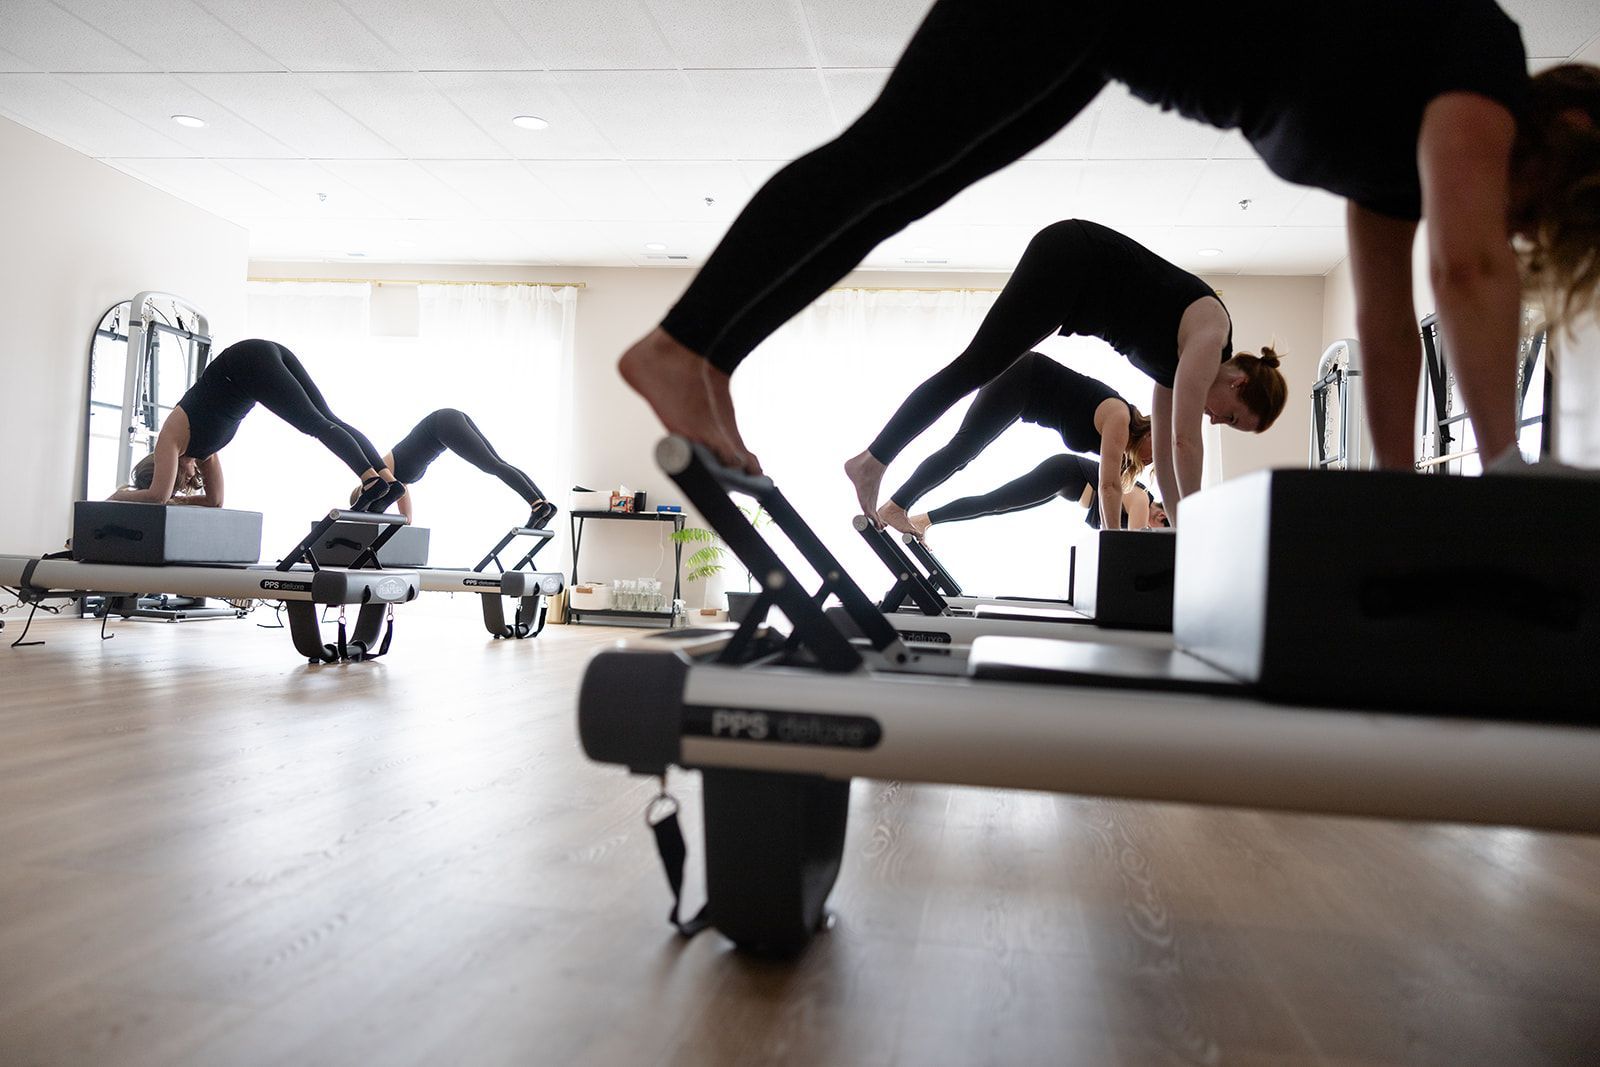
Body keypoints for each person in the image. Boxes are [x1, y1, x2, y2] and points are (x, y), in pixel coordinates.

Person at [617, 1, 1600, 482]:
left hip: (1104, 34)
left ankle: (705, 355)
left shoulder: (1389, 167)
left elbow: (1388, 331)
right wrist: (1506, 467)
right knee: (886, 159)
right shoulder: (1478, 60)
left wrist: (1397, 506)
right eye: (1536, 213)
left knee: (897, 183)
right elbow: (1462, 270)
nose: (1510, 232)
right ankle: (679, 343)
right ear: (1564, 138)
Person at [845, 220, 1285, 523]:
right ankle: (872, 461)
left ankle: (873, 463)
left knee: (974, 371)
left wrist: (1177, 529)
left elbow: (1169, 457)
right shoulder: (1212, 334)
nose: (1216, 420)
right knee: (974, 367)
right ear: (1240, 382)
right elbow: (1186, 441)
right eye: (1231, 416)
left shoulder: (1180, 367)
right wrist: (1197, 527)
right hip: (1074, 258)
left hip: (1072, 288)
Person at [872, 354, 1157, 534]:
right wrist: (1114, 543)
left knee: (967, 458)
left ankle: (904, 509)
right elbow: (1109, 487)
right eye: (1154, 453)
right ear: (1150, 433)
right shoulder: (1120, 418)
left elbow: (1112, 484)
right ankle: (896, 505)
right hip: (1023, 377)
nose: (1149, 461)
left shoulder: (1123, 442)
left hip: (1023, 395)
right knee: (962, 450)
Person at [109, 338, 401, 511]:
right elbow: (215, 501)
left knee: (314, 423)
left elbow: (157, 497)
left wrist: (116, 497)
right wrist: (178, 502)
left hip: (245, 364)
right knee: (328, 420)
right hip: (258, 357)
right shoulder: (204, 452)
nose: (189, 481)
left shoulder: (169, 440)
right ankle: (388, 481)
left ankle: (371, 481)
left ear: (164, 471)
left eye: (181, 482)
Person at [905, 453, 1165, 539]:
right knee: (993, 502)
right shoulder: (1142, 500)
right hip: (1065, 473)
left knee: (996, 505)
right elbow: (1133, 545)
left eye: (1163, 526)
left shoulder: (1140, 499)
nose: (1159, 523)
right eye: (1164, 523)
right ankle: (923, 519)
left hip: (1063, 482)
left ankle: (925, 520)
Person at [368, 408, 555, 528]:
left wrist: (367, 512)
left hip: (441, 424)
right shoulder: (399, 485)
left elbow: (381, 490)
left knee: (492, 465)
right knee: (497, 463)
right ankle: (544, 504)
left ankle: (536, 505)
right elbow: (407, 519)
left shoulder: (381, 469)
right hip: (447, 420)